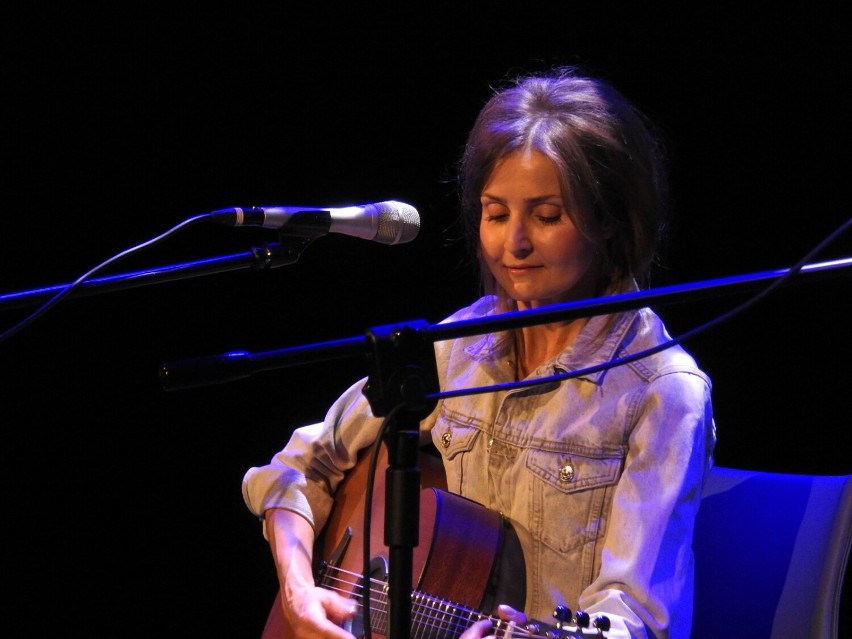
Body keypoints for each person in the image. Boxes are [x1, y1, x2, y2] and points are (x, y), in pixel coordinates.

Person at [242, 65, 716, 639]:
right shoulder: (456, 347)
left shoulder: (661, 392)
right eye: (495, 214)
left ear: (610, 223)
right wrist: (299, 595)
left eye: (546, 216)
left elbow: (637, 616)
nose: (513, 244)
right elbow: (296, 469)